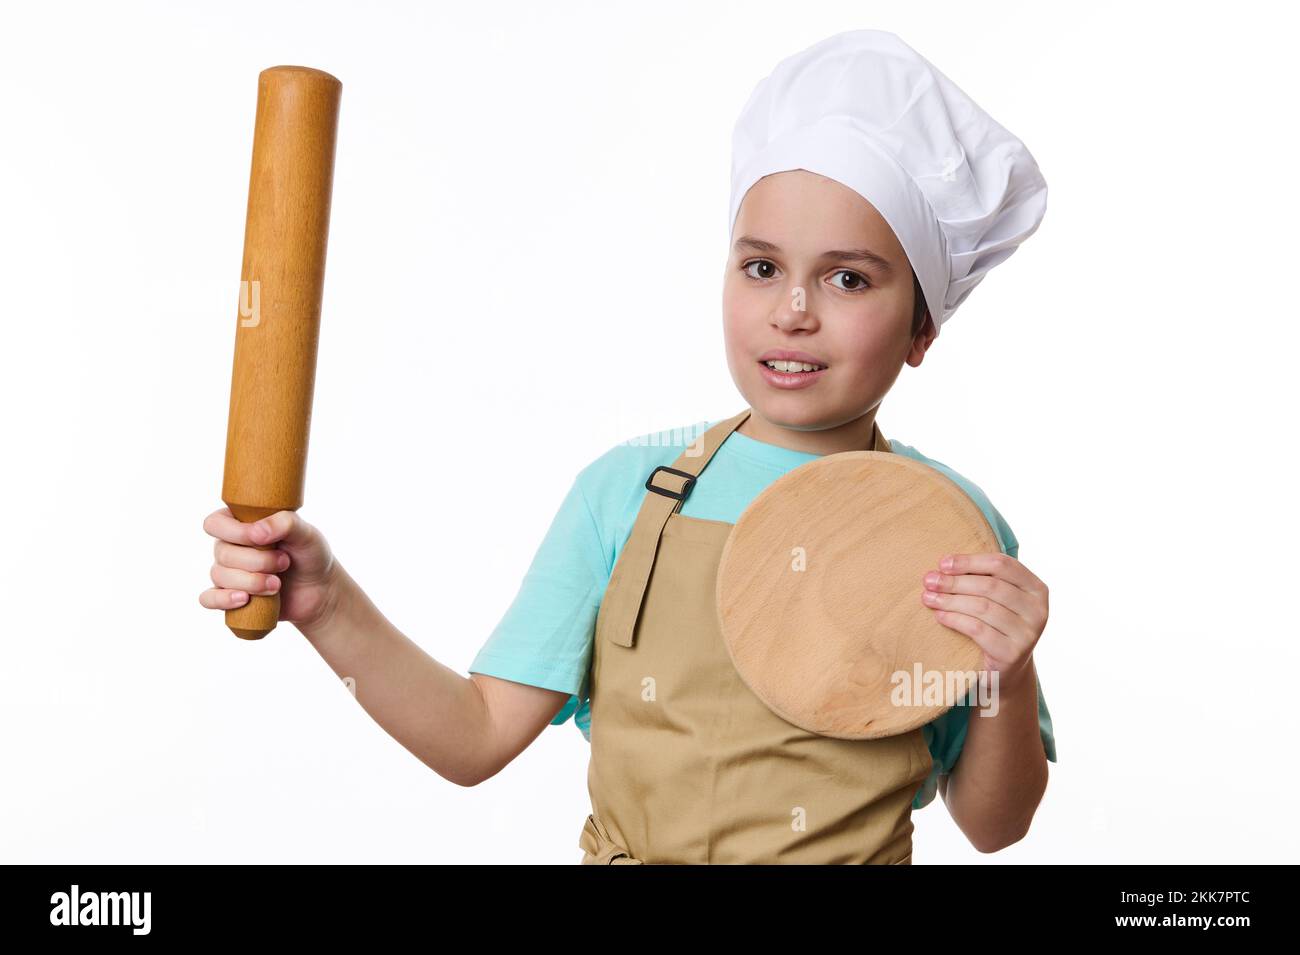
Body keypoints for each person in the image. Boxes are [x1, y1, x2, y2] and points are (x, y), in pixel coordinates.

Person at [200, 29, 1056, 862]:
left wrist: (1005, 676)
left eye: (847, 277)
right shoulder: (627, 492)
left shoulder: (952, 532)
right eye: (761, 267)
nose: (794, 309)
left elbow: (993, 823)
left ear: (921, 328)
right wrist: (325, 602)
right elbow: (477, 734)